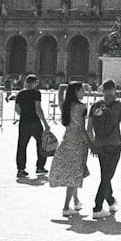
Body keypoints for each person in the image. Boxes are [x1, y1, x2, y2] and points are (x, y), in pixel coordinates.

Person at [85, 80, 121, 218]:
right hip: (114, 144)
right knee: (107, 176)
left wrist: (93, 144)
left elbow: (89, 129)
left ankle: (111, 201)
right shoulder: (120, 106)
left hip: (100, 145)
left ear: (103, 90)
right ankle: (97, 207)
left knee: (105, 174)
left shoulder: (95, 105)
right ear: (114, 89)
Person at [49, 82, 90, 215]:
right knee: (74, 175)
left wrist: (65, 86)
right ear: (76, 91)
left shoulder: (65, 105)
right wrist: (90, 143)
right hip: (78, 143)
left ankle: (76, 201)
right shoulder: (82, 107)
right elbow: (82, 130)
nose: (84, 93)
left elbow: (60, 91)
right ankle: (66, 207)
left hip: (66, 141)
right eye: (82, 90)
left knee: (73, 173)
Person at [15, 74, 51, 177]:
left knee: (22, 146)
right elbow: (38, 108)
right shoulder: (36, 93)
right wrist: (45, 123)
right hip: (34, 122)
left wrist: (24, 115)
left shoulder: (20, 94)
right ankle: (40, 166)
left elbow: (17, 109)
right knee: (41, 144)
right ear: (35, 83)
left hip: (23, 122)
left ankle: (21, 169)